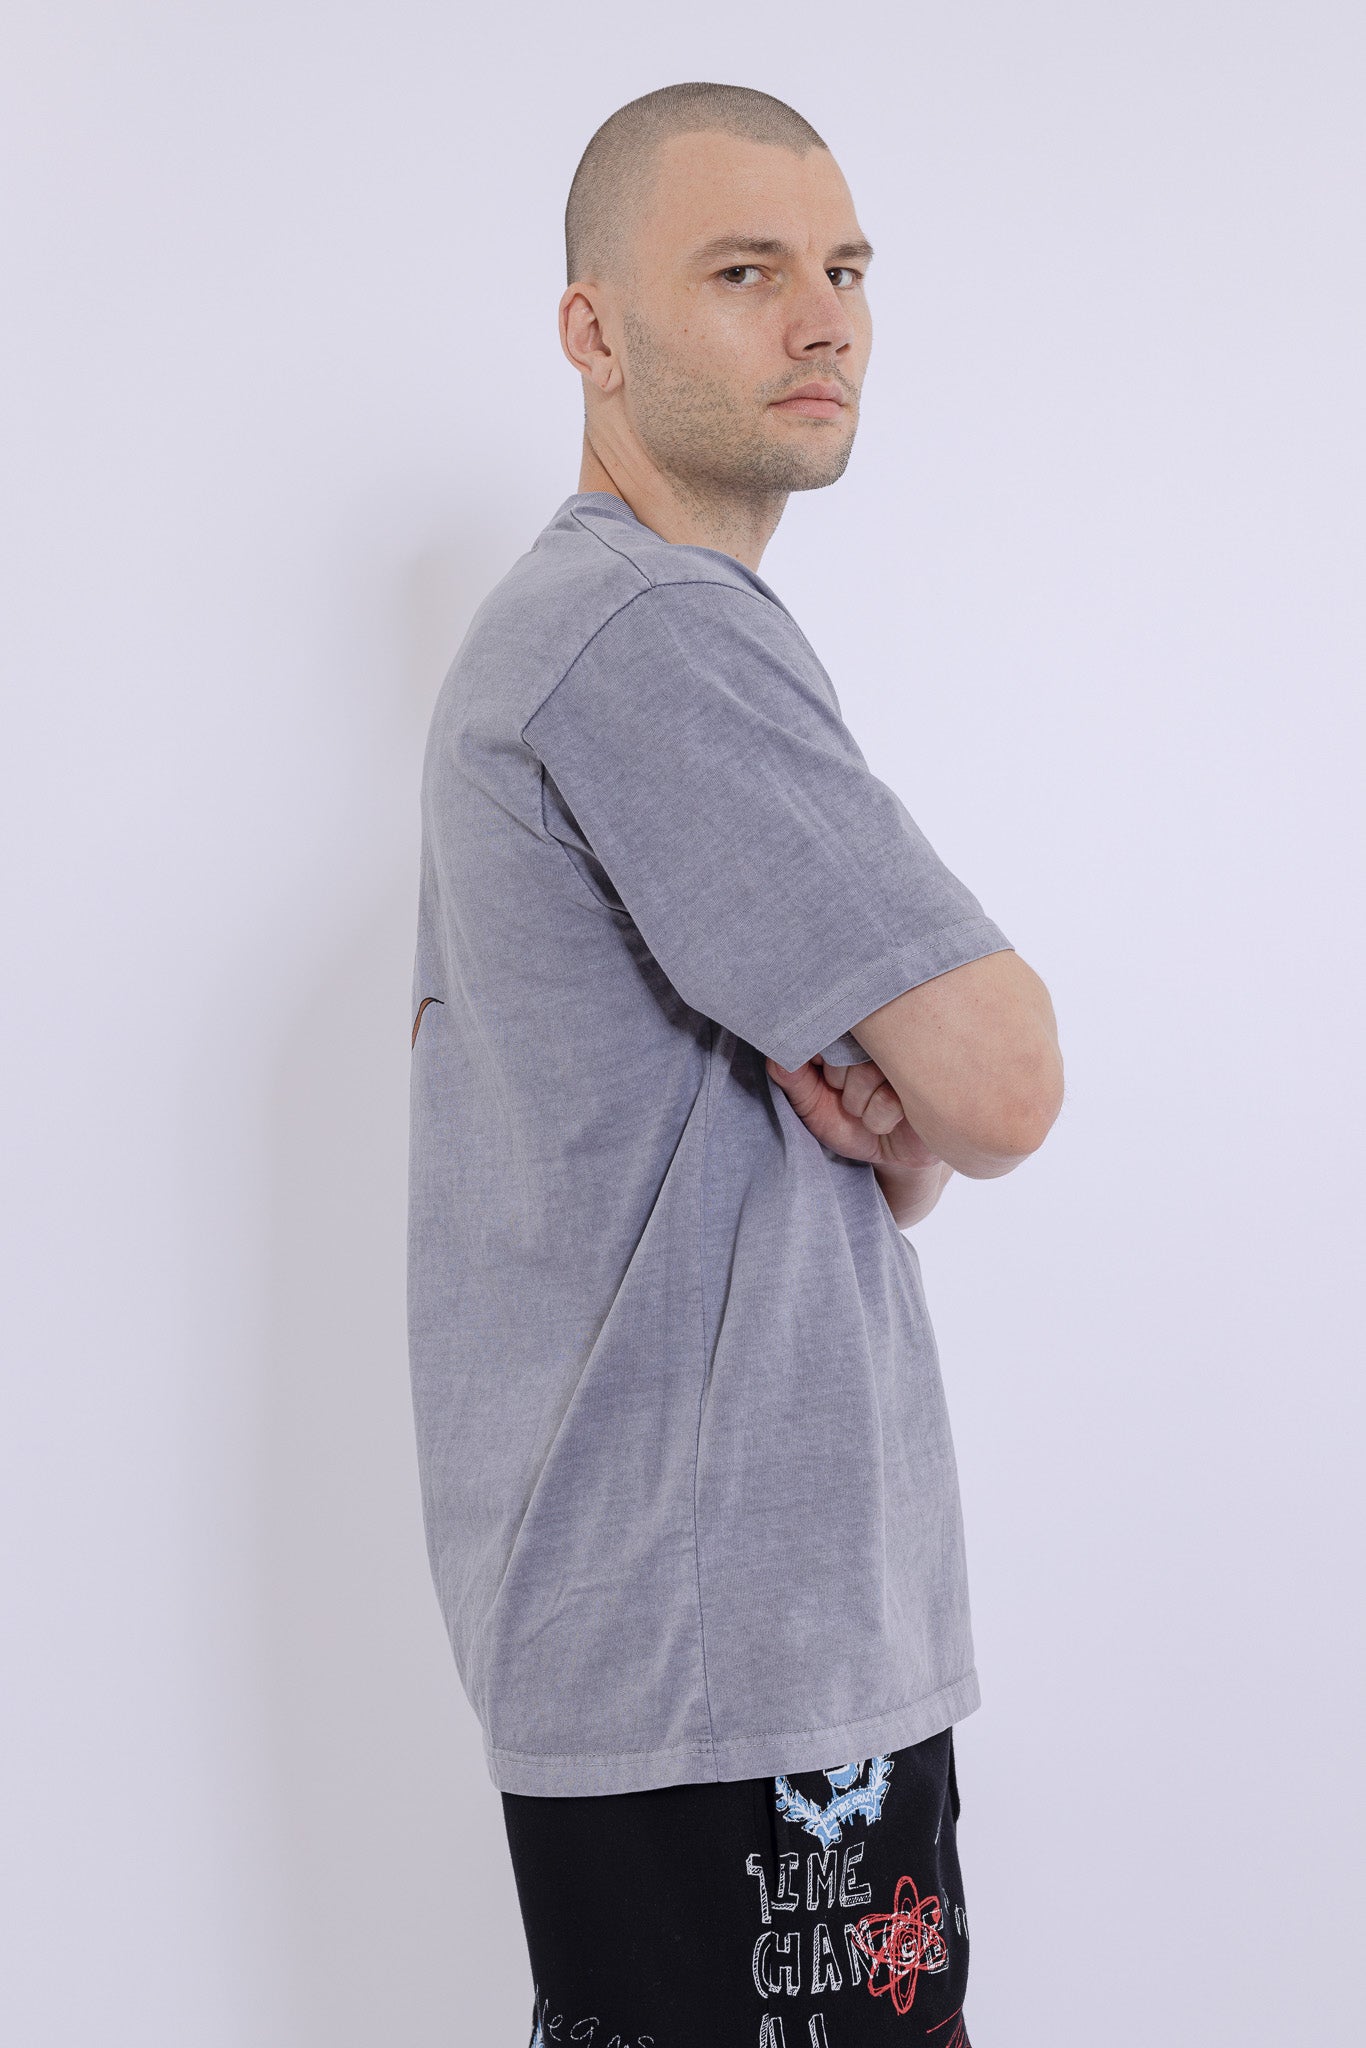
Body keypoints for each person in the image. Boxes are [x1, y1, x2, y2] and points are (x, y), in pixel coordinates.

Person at [407, 81, 1064, 2046]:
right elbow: (1003, 1078)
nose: (820, 319)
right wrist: (930, 1102)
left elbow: (897, 1127)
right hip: (731, 1669)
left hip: (697, 1656)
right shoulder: (648, 631)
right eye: (743, 270)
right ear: (591, 328)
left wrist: (903, 1128)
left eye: (844, 269)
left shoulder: (595, 633)